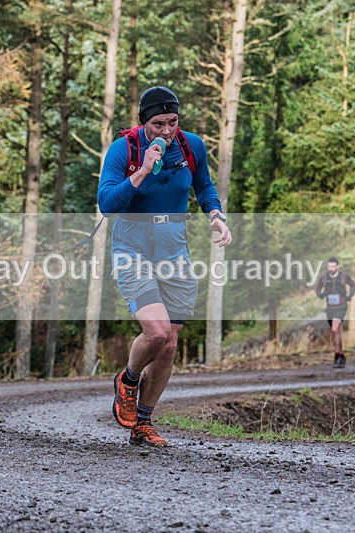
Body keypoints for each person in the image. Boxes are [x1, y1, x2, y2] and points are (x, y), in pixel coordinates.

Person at [99, 86, 232, 447]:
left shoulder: (192, 147)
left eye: (172, 122)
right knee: (156, 331)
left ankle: (143, 421)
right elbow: (106, 204)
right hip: (132, 247)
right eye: (158, 124)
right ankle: (127, 380)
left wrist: (216, 216)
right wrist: (141, 172)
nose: (167, 131)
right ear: (144, 122)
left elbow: (204, 187)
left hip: (174, 249)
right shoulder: (124, 149)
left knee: (170, 344)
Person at [315, 257, 355, 369]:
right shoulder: (324, 278)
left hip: (341, 307)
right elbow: (317, 288)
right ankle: (341, 355)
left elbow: (353, 286)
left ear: (338, 266)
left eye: (333, 266)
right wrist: (320, 294)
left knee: (334, 329)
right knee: (336, 332)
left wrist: (349, 296)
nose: (331, 269)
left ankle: (337, 355)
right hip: (330, 309)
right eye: (329, 266)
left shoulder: (344, 277)